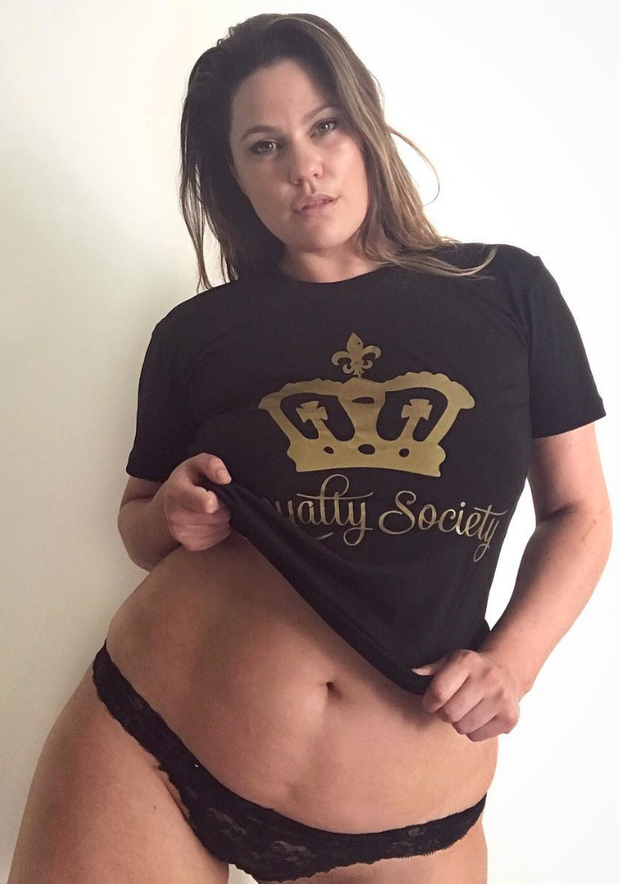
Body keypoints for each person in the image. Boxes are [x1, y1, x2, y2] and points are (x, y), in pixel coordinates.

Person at [8, 12, 611, 884]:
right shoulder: (195, 333)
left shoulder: (506, 292)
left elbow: (579, 511)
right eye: (265, 146)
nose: (304, 166)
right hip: (154, 740)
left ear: (365, 129)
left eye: (324, 126)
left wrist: (514, 661)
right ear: (235, 175)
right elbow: (137, 525)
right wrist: (171, 511)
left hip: (408, 815)